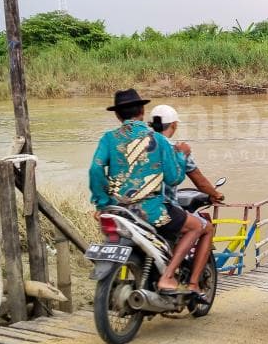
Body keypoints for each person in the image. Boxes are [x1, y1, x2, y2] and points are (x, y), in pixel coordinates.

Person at [89, 89, 209, 296]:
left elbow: (95, 170)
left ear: (117, 115)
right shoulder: (159, 140)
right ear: (142, 111)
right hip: (151, 211)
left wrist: (102, 203)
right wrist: (181, 155)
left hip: (117, 211)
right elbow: (174, 178)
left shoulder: (108, 139)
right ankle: (168, 276)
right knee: (197, 227)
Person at [149, 104, 221, 296]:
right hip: (160, 208)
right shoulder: (176, 148)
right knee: (204, 227)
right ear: (174, 125)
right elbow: (199, 182)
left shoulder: (140, 144)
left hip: (132, 207)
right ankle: (192, 284)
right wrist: (216, 194)